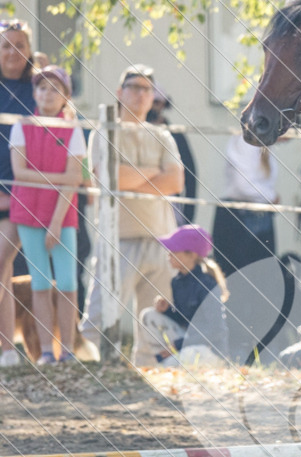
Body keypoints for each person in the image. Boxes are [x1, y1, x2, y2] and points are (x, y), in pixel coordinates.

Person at [80, 64, 184, 364]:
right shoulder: (104, 132)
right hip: (118, 239)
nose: (141, 94)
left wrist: (130, 177)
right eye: (134, 87)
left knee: (156, 326)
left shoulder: (162, 135)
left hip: (161, 240)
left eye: (147, 89)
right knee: (98, 320)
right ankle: (85, 374)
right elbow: (107, 178)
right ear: (119, 92)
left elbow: (175, 182)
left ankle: (148, 379)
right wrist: (153, 172)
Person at [9, 66, 85, 364]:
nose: (48, 94)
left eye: (55, 89)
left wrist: (55, 223)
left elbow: (74, 179)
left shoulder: (73, 130)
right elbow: (20, 172)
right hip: (27, 212)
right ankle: (45, 352)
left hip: (62, 215)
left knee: (66, 284)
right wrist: (60, 178)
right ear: (34, 93)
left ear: (66, 96)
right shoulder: (22, 126)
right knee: (40, 283)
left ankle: (67, 349)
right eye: (42, 88)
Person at [0, 20, 39, 367]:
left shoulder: (40, 90)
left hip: (21, 195)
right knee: (5, 272)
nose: (13, 52)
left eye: (20, 45)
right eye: (5, 45)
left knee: (1, 262)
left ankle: (8, 351)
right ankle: (7, 351)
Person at [136, 224, 228, 367]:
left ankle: (168, 363)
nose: (168, 254)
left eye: (174, 250)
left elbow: (216, 330)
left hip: (209, 349)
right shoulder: (177, 281)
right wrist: (168, 311)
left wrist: (178, 344)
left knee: (175, 361)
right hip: (188, 340)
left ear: (192, 255)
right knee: (149, 315)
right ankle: (161, 362)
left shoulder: (207, 284)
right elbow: (184, 321)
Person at [212, 134, 278, 277]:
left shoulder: (264, 147)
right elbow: (243, 185)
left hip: (258, 215)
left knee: (261, 275)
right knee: (239, 274)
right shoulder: (245, 142)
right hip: (240, 217)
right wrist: (271, 197)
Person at [146, 84, 198, 225]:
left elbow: (190, 176)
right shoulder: (135, 132)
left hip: (171, 212)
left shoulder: (175, 136)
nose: (151, 106)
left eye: (156, 102)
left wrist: (188, 217)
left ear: (164, 104)